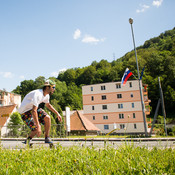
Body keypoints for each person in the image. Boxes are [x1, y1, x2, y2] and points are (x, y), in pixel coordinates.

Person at [18, 79, 62, 144]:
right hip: (25, 111)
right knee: (36, 129)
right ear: (47, 87)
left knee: (47, 118)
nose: (54, 89)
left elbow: (48, 105)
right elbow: (34, 111)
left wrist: (57, 113)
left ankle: (47, 137)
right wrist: (38, 126)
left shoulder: (47, 95)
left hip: (32, 108)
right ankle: (28, 140)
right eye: (53, 87)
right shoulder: (38, 94)